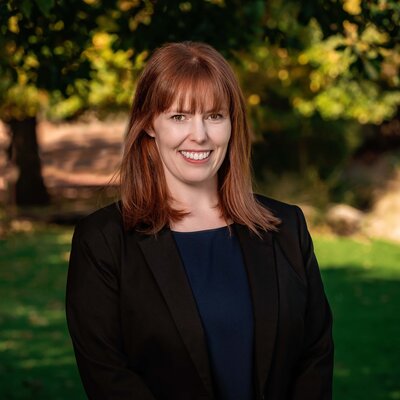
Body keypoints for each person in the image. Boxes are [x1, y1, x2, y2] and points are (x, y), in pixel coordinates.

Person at [66, 41, 334, 400]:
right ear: (149, 124)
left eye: (214, 116)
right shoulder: (103, 241)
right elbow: (107, 375)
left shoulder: (286, 227)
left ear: (231, 123)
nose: (201, 135)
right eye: (179, 117)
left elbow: (315, 354)